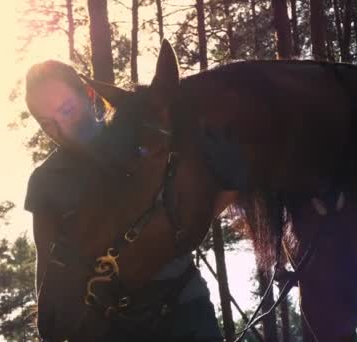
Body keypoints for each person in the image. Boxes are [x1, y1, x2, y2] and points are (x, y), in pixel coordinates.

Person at [23, 60, 223, 341]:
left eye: (66, 110)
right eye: (47, 123)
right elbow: (47, 263)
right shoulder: (46, 181)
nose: (62, 127)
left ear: (90, 95)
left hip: (182, 312)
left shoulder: (142, 138)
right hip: (106, 328)